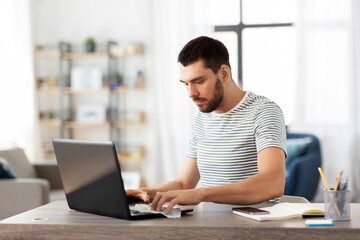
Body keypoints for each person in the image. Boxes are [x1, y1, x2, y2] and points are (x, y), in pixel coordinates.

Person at [126, 36, 287, 215]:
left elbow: (273, 183)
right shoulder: (202, 119)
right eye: (186, 84)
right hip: (211, 224)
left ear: (224, 74)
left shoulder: (264, 112)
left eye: (198, 81)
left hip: (254, 226)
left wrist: (201, 194)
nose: (191, 93)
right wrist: (148, 193)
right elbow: (184, 184)